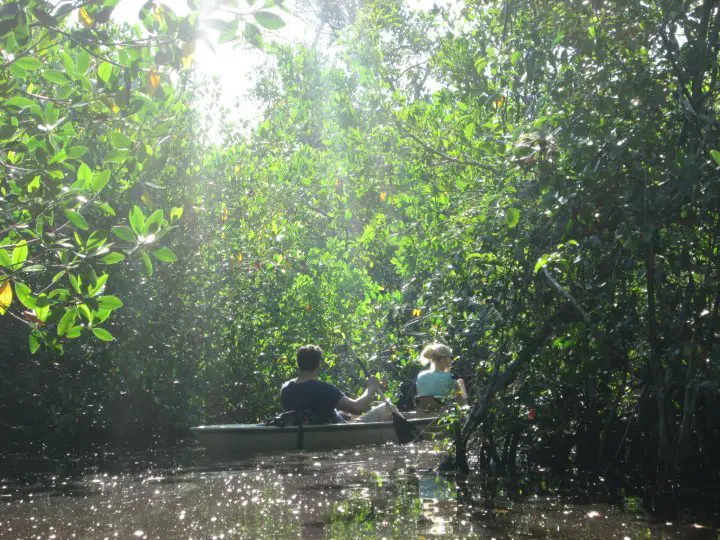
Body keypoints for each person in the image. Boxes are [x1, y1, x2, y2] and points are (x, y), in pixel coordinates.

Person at [280, 344, 383, 423]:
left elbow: (313, 410)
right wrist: (371, 389)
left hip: (302, 431)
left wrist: (340, 414)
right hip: (331, 432)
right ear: (318, 365)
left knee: (347, 413)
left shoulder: (285, 388)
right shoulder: (324, 389)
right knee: (386, 408)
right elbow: (357, 408)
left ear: (298, 363)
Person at [415, 343, 467, 411]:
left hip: (423, 413)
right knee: (460, 382)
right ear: (443, 359)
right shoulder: (451, 377)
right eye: (450, 358)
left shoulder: (420, 375)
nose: (451, 361)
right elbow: (461, 401)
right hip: (443, 413)